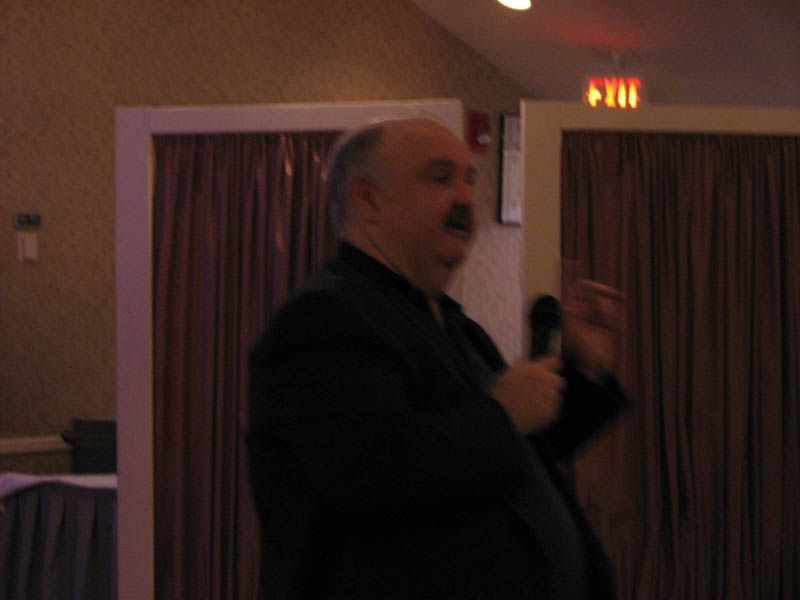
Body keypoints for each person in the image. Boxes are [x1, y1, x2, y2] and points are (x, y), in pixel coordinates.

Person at [247, 116, 628, 599]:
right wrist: (501, 415)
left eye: (469, 179)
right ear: (369, 200)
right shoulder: (325, 318)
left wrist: (584, 371)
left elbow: (519, 456)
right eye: (441, 177)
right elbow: (372, 478)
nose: (467, 198)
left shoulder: (452, 325)